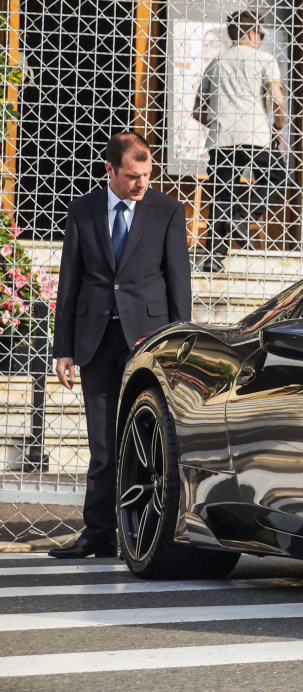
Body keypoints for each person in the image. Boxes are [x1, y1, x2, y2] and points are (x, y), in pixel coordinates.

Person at [50, 132, 192, 558]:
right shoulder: (83, 211)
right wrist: (63, 349)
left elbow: (178, 282)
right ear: (110, 170)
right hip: (95, 340)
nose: (142, 184)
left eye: (147, 175)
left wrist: (178, 343)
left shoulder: (167, 211)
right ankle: (98, 534)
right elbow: (69, 282)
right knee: (102, 446)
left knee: (148, 441)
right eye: (133, 176)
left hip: (147, 342)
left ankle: (145, 529)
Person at [195, 9, 287, 272]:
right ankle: (244, 215)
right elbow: (278, 101)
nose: (262, 38)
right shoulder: (264, 60)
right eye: (261, 33)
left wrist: (217, 122)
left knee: (221, 194)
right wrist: (278, 128)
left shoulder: (216, 64)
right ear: (250, 32)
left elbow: (197, 111)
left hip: (221, 139)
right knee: (278, 177)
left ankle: (214, 257)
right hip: (256, 136)